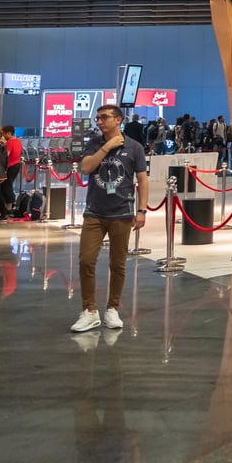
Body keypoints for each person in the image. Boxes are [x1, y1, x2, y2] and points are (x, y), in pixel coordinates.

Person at [74, 104, 149, 333]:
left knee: (118, 264)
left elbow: (142, 180)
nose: (99, 122)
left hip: (122, 213)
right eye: (97, 118)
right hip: (94, 213)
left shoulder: (135, 147)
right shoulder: (94, 144)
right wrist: (106, 147)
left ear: (118, 120)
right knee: (86, 260)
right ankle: (89, 311)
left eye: (104, 117)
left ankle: (112, 308)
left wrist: (142, 210)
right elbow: (85, 168)